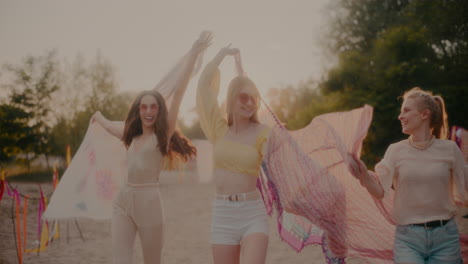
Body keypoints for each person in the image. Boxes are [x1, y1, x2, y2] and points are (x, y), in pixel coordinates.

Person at [92, 32, 212, 264]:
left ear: (159, 110)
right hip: (123, 203)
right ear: (138, 110)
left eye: (153, 107)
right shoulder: (129, 133)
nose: (148, 111)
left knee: (152, 261)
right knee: (120, 259)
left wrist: (193, 55)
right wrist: (97, 116)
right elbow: (108, 125)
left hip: (150, 207)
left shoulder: (162, 136)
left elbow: (178, 94)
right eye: (144, 107)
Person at [350, 87, 467, 263]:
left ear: (424, 114)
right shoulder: (396, 151)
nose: (400, 116)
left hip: (446, 238)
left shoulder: (450, 149)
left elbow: (464, 188)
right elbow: (380, 192)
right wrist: (364, 176)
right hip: (408, 240)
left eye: (406, 110)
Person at [196, 45, 270, 264]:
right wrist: (220, 56)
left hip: (252, 213)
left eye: (254, 98)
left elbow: (278, 160)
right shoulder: (219, 130)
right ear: (231, 98)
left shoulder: (263, 133)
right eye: (244, 97)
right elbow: (203, 88)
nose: (249, 103)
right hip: (223, 213)